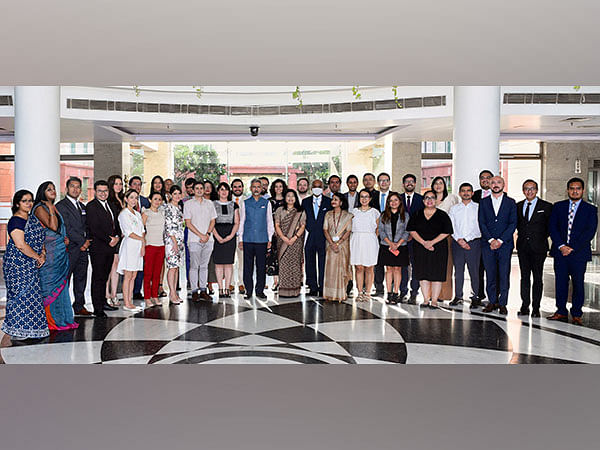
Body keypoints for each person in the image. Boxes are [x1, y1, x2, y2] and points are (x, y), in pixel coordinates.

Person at [547, 177, 598, 325]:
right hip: (560, 253)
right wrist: (561, 246)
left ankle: (576, 313)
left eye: (578, 188)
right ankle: (561, 311)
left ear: (582, 190)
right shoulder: (558, 206)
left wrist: (571, 247)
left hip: (578, 254)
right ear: (567, 190)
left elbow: (590, 232)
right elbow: (553, 228)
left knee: (578, 284)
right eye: (572, 188)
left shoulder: (590, 209)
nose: (575, 191)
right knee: (561, 283)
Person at [1, 190, 49, 340]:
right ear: (17, 204)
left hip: (32, 262)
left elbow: (40, 239)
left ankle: (31, 329)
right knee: (20, 296)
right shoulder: (16, 221)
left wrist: (42, 254)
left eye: (30, 200)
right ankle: (17, 330)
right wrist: (37, 257)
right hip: (17, 265)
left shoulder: (33, 219)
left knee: (32, 296)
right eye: (24, 201)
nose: (29, 203)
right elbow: (20, 244)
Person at [32, 182, 79, 331]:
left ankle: (62, 319)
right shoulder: (40, 207)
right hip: (50, 256)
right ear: (42, 192)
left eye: (53, 189)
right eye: (49, 189)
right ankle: (49, 320)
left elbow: (58, 229)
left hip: (59, 253)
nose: (53, 191)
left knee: (61, 286)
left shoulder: (53, 207)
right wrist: (51, 209)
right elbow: (51, 227)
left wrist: (63, 238)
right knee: (49, 286)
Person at [407, 190, 454, 308]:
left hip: (438, 248)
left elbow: (447, 231)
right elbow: (412, 230)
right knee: (422, 274)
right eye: (427, 198)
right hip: (420, 247)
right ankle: (425, 299)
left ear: (436, 200)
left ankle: (434, 301)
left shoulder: (442, 215)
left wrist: (431, 242)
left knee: (436, 274)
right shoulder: (417, 214)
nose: (429, 200)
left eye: (432, 198)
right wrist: (424, 243)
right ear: (423, 201)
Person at [478, 176, 517, 315]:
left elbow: (513, 224)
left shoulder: (511, 202)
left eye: (498, 182)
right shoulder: (483, 202)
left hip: (504, 245)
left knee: (504, 274)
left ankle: (503, 303)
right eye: (493, 182)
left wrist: (500, 240)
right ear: (489, 185)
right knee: (490, 274)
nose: (495, 185)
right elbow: (481, 222)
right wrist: (490, 240)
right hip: (487, 245)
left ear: (503, 184)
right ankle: (492, 301)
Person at [516, 179, 552, 317]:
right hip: (523, 248)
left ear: (536, 190)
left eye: (532, 188)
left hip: (539, 248)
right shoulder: (518, 206)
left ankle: (536, 308)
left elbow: (550, 227)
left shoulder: (547, 206)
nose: (529, 191)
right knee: (524, 277)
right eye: (526, 188)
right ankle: (525, 306)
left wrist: (539, 238)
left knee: (537, 278)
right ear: (523, 191)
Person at [56, 176, 92, 317]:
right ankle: (63, 308)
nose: (76, 189)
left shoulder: (82, 206)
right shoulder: (61, 206)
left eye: (78, 187)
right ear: (66, 189)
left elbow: (87, 226)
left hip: (83, 250)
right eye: (73, 186)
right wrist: (82, 242)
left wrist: (87, 241)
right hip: (70, 250)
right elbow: (67, 228)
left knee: (81, 278)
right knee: (66, 279)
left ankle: (79, 305)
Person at [86, 180, 121, 317]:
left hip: (110, 248)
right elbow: (94, 228)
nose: (103, 193)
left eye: (105, 191)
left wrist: (117, 237)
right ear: (95, 191)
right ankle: (98, 308)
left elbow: (116, 224)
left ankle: (103, 302)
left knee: (105, 277)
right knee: (98, 278)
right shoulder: (91, 207)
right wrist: (109, 240)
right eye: (100, 191)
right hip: (99, 248)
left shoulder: (111, 206)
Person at [239, 178, 274, 299]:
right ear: (250, 188)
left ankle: (260, 290)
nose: (256, 189)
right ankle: (248, 290)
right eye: (254, 187)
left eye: (258, 187)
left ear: (262, 188)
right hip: (248, 239)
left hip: (262, 239)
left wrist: (270, 238)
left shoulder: (266, 203)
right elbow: (242, 221)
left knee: (261, 266)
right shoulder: (245, 203)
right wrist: (240, 239)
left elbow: (270, 222)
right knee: (247, 267)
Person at [448, 183, 481, 308]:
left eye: (468, 191)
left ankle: (475, 296)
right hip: (457, 243)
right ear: (459, 193)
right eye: (463, 191)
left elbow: (479, 226)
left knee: (474, 271)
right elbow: (452, 226)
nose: (466, 193)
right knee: (458, 271)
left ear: (472, 193)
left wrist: (467, 239)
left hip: (474, 243)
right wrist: (459, 240)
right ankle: (458, 296)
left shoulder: (478, 208)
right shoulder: (454, 209)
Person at [184, 181, 217, 301]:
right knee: (194, 266)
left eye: (201, 188)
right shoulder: (188, 204)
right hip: (194, 240)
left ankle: (203, 290)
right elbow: (188, 223)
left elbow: (213, 220)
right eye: (196, 188)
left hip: (208, 239)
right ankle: (194, 291)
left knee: (204, 266)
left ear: (204, 190)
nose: (199, 190)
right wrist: (200, 235)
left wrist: (207, 234)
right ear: (193, 190)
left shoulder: (209, 204)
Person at [302, 179, 332, 296]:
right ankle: (312, 286)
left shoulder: (329, 202)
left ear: (323, 188)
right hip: (309, 235)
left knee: (323, 261)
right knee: (309, 260)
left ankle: (322, 285)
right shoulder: (305, 202)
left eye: (319, 186)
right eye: (315, 186)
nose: (317, 188)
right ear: (311, 188)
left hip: (323, 235)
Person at [274, 189, 307, 297]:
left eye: (293, 196)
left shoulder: (300, 211)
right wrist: (283, 237)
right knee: (283, 264)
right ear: (285, 198)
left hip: (296, 242)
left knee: (295, 265)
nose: (290, 198)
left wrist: (294, 237)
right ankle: (283, 290)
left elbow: (303, 226)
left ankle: (295, 290)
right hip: (282, 241)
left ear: (296, 198)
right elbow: (277, 225)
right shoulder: (279, 210)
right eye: (288, 196)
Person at [117, 189, 145, 312]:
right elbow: (128, 232)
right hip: (129, 246)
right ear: (126, 199)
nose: (134, 200)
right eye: (131, 197)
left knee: (134, 275)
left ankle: (131, 301)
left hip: (138, 246)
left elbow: (143, 230)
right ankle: (126, 302)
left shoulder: (137, 214)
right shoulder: (124, 214)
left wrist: (143, 244)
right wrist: (142, 240)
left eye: (136, 197)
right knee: (128, 275)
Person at [379, 192, 410, 304]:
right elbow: (381, 231)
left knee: (397, 269)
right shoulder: (383, 215)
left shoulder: (405, 215)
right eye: (391, 200)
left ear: (400, 202)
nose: (393, 202)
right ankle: (389, 293)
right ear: (388, 203)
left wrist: (397, 244)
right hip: (386, 246)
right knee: (389, 269)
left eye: (396, 200)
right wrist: (390, 243)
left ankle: (396, 293)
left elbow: (407, 231)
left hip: (400, 246)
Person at [432, 176, 459, 302]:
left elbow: (458, 214)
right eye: (436, 183)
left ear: (445, 185)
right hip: (431, 237)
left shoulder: (452, 198)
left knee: (447, 265)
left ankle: (445, 294)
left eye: (441, 183)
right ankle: (433, 295)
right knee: (432, 265)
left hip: (446, 236)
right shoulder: (429, 198)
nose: (438, 185)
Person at [350, 189, 380, 301]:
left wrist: (372, 239)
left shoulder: (375, 212)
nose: (364, 199)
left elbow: (377, 229)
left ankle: (368, 292)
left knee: (369, 267)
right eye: (362, 196)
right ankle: (359, 292)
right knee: (358, 267)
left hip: (370, 240)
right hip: (357, 240)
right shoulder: (354, 212)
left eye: (366, 196)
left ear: (370, 198)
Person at [322, 193, 353, 301]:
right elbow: (325, 229)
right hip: (330, 245)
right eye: (332, 199)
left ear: (341, 202)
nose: (333, 201)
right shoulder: (328, 214)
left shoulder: (348, 215)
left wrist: (338, 243)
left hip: (343, 245)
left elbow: (348, 230)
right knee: (330, 269)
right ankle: (329, 294)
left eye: (336, 199)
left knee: (342, 269)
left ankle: (341, 294)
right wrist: (331, 243)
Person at [399, 173, 424, 304]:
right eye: (407, 181)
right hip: (401, 240)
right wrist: (404, 236)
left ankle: (414, 292)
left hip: (416, 239)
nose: (409, 183)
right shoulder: (397, 199)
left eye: (412, 182)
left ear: (415, 184)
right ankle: (402, 291)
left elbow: (423, 220)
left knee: (416, 266)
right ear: (403, 184)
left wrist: (413, 234)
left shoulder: (421, 200)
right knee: (403, 266)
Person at [213, 182, 240, 298]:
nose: (224, 192)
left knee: (229, 263)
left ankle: (227, 288)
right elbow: (211, 222)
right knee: (218, 263)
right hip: (216, 235)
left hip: (230, 235)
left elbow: (237, 222)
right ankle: (220, 288)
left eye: (226, 190)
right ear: (218, 192)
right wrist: (217, 236)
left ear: (229, 192)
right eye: (221, 189)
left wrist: (231, 236)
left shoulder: (234, 205)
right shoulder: (212, 205)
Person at [472, 169, 494, 302]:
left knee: (492, 269)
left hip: (492, 238)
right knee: (477, 268)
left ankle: (493, 296)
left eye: (488, 178)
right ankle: (479, 294)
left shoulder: (502, 195)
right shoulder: (474, 195)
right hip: (477, 237)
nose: (485, 180)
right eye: (482, 178)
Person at [141, 192, 166, 307]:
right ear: (150, 200)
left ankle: (155, 295)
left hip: (161, 245)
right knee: (148, 273)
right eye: (155, 199)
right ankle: (147, 297)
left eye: (159, 199)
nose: (157, 201)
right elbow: (141, 229)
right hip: (150, 245)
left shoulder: (162, 213)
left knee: (157, 273)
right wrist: (143, 244)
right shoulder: (146, 213)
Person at [164, 185, 185, 305]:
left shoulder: (179, 207)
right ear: (170, 195)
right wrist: (174, 242)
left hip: (179, 240)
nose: (177, 196)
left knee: (176, 268)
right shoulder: (168, 208)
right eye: (175, 193)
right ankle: (171, 293)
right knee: (172, 267)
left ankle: (175, 292)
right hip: (171, 242)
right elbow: (168, 226)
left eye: (179, 193)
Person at [106, 174, 125, 307]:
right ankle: (107, 294)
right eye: (116, 184)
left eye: (120, 184)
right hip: (113, 236)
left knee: (117, 265)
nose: (119, 186)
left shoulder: (123, 198)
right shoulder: (109, 200)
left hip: (123, 236)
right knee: (110, 265)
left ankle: (114, 294)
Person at [128, 175, 148, 300]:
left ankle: (137, 291)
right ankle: (128, 291)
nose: (137, 186)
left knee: (140, 264)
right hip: (131, 238)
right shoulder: (126, 201)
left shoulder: (145, 201)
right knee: (130, 266)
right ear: (130, 186)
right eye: (135, 184)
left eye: (139, 184)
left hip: (143, 236)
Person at [373, 172, 392, 296]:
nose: (383, 183)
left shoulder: (395, 197)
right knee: (377, 261)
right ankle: (379, 287)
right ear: (378, 183)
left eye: (386, 180)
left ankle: (393, 290)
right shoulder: (372, 196)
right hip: (375, 233)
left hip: (391, 235)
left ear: (389, 182)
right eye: (381, 180)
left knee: (392, 263)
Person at [268, 179, 287, 290]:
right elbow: (267, 218)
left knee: (284, 256)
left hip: (285, 234)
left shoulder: (287, 201)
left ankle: (284, 282)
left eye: (280, 186)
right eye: (276, 186)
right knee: (274, 257)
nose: (278, 189)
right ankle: (276, 282)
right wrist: (272, 230)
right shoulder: (269, 202)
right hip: (273, 234)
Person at [231, 178, 246, 294]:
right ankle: (230, 283)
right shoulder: (226, 201)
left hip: (243, 236)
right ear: (232, 188)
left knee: (243, 261)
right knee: (230, 261)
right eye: (235, 186)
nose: (237, 189)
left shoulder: (247, 201)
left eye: (239, 186)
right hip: (229, 236)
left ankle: (242, 283)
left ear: (243, 188)